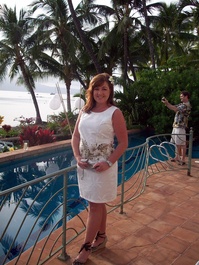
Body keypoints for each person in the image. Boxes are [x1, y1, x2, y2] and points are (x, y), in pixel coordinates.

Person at [71, 73, 128, 265]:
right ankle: (101, 237)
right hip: (85, 167)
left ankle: (85, 248)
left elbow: (123, 143)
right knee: (96, 203)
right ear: (91, 90)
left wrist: (108, 163)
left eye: (104, 89)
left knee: (94, 205)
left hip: (104, 167)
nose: (100, 92)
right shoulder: (84, 111)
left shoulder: (114, 112)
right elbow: (75, 138)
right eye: (97, 88)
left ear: (110, 91)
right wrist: (78, 157)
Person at [162, 91, 191, 165]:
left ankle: (183, 159)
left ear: (186, 96)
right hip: (176, 126)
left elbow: (174, 108)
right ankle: (177, 157)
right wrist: (167, 103)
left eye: (182, 96)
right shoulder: (182, 104)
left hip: (180, 127)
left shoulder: (185, 105)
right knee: (177, 143)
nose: (180, 97)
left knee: (182, 143)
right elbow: (173, 107)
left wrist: (167, 103)